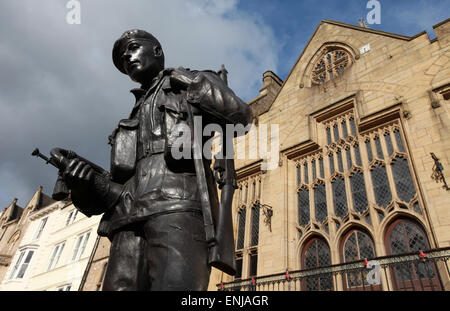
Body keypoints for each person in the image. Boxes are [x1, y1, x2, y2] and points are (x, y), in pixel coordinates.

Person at [55, 29, 252, 290]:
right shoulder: (130, 117)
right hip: (126, 218)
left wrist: (193, 84)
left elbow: (241, 117)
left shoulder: (193, 81)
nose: (127, 57)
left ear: (157, 51)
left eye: (133, 48)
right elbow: (117, 187)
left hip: (177, 208)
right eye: (122, 58)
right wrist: (83, 182)